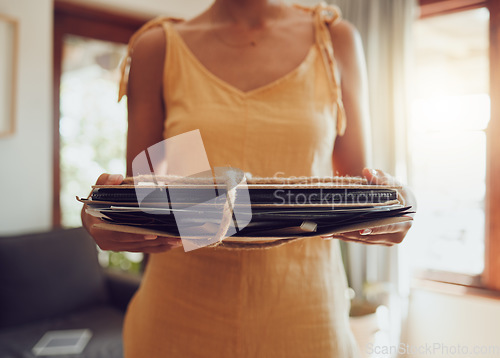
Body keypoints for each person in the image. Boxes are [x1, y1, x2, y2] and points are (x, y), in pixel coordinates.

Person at [81, 0, 415, 356]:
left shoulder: (336, 40)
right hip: (177, 319)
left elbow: (356, 191)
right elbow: (146, 198)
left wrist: (394, 206)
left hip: (307, 318)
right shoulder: (157, 47)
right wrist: (102, 215)